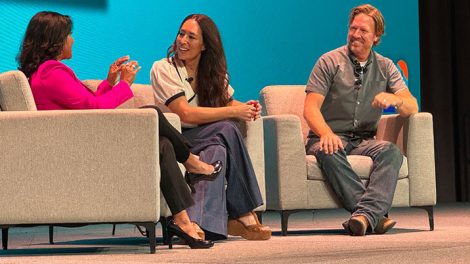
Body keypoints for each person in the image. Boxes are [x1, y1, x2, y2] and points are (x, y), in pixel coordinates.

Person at [18, 11, 219, 249]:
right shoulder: (52, 72)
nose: (72, 40)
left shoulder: (43, 73)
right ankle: (190, 162)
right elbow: (93, 109)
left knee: (162, 145)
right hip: (80, 148)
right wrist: (124, 84)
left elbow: (84, 105)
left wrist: (110, 81)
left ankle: (183, 220)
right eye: (69, 34)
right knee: (152, 113)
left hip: (78, 140)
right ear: (54, 41)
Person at [150, 14, 271, 241]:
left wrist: (246, 107)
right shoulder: (163, 68)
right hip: (175, 139)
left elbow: (226, 101)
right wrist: (234, 112)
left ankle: (199, 222)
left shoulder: (212, 71)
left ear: (205, 45)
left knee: (217, 150)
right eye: (181, 34)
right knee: (226, 128)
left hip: (204, 136)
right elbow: (184, 113)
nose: (183, 41)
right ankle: (243, 212)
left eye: (191, 37)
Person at [304, 4, 418, 236]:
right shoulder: (329, 61)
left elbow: (412, 105)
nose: (355, 34)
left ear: (376, 36)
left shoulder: (385, 66)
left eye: (363, 31)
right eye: (352, 28)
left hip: (364, 141)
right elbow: (310, 108)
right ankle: (373, 216)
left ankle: (364, 216)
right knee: (329, 149)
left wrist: (394, 99)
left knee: (391, 152)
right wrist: (326, 133)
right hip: (328, 137)